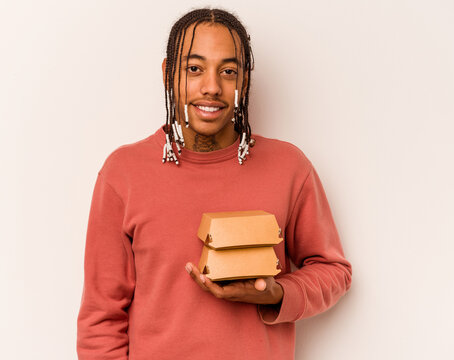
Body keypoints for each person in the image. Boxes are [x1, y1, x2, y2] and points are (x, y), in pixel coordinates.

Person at [77, 7, 352, 360]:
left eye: (228, 71)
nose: (211, 87)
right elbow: (101, 318)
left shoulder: (289, 167)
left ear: (245, 81)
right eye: (194, 69)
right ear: (167, 74)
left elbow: (334, 271)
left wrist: (277, 294)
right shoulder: (123, 173)